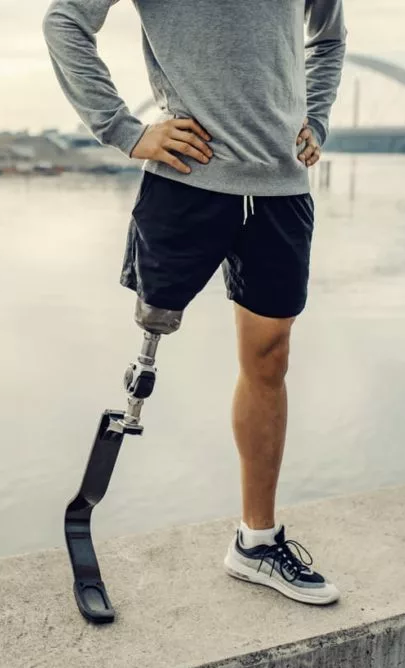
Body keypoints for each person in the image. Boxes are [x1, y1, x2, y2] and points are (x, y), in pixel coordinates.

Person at [43, 0, 347, 605]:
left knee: (270, 359)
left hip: (280, 189)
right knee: (149, 335)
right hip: (186, 176)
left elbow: (328, 40)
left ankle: (256, 543)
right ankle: (88, 498)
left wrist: (315, 116)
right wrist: (125, 130)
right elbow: (66, 20)